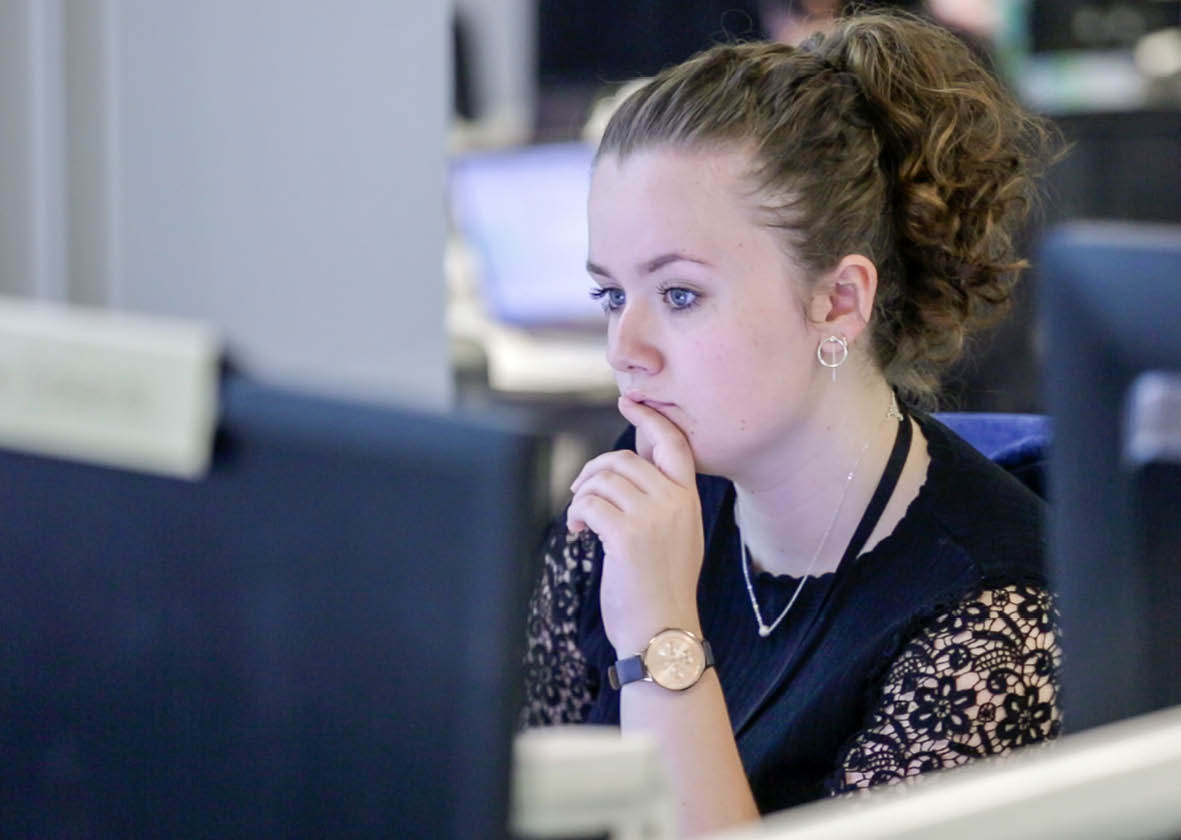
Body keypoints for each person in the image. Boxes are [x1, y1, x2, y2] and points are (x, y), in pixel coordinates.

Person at [522, 10, 1060, 837]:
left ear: (838, 301)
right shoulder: (637, 500)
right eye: (610, 295)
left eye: (677, 295)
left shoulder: (992, 627)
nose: (623, 349)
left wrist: (661, 636)